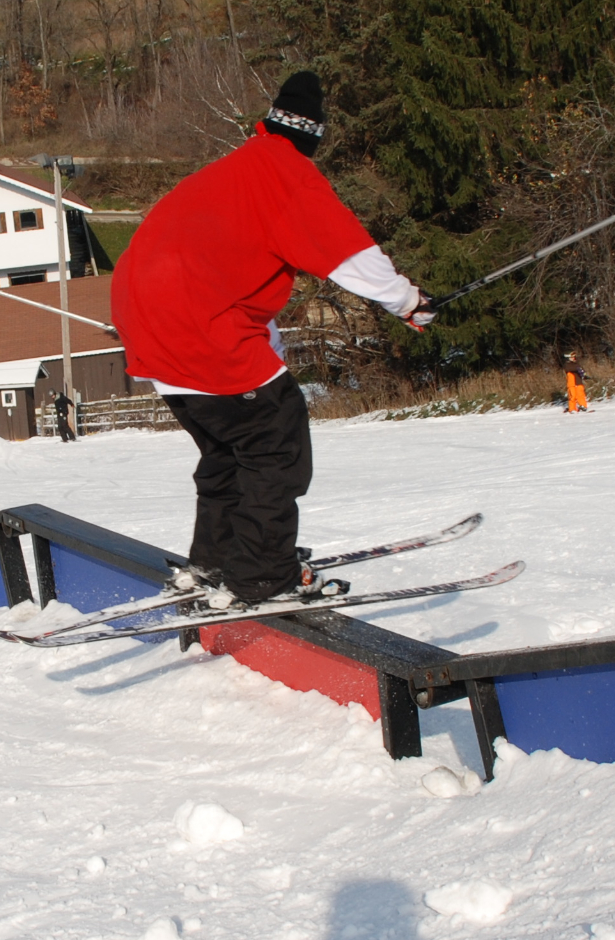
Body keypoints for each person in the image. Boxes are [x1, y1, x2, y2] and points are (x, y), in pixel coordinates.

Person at [111, 71, 436, 608]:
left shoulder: (227, 173)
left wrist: (268, 360)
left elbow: (234, 278)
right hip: (200, 327)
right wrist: (407, 302)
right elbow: (349, 252)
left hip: (147, 324)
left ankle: (216, 560)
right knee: (274, 444)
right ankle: (263, 577)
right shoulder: (286, 175)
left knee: (228, 448)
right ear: (313, 137)